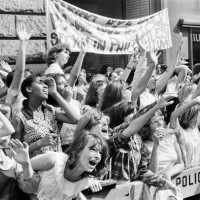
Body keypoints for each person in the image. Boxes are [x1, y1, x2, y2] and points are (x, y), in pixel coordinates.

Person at [10, 130, 109, 200]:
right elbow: (22, 172)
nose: (98, 156)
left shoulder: (86, 181)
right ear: (78, 150)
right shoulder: (53, 160)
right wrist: (26, 163)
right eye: (93, 149)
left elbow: (70, 191)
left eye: (100, 153)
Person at [12, 73, 80, 158]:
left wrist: (55, 93)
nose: (45, 86)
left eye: (46, 84)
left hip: (58, 165)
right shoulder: (20, 118)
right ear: (29, 89)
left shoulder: (50, 110)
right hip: (36, 168)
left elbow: (76, 119)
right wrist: (40, 143)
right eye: (40, 83)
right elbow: (15, 152)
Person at [170, 96, 200, 168]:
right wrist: (195, 101)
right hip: (182, 173)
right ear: (193, 116)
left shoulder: (195, 129)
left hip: (195, 172)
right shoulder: (179, 131)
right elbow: (173, 116)